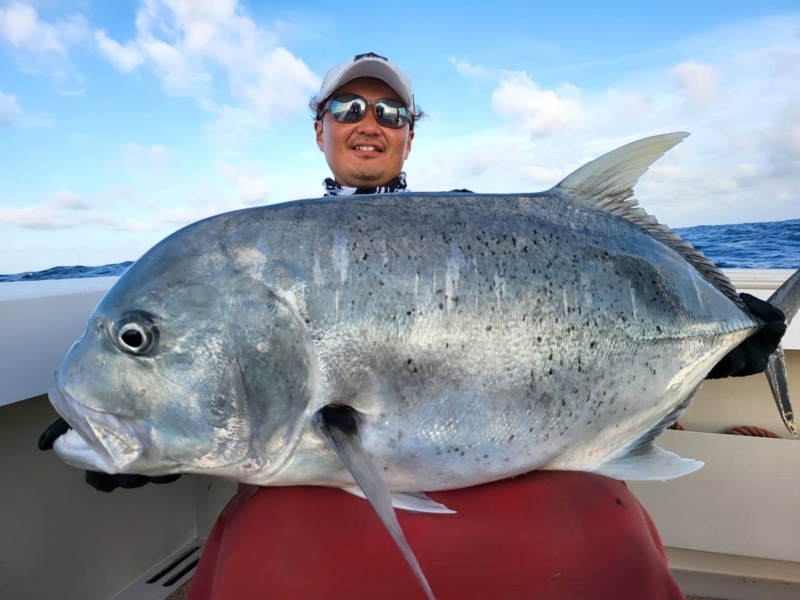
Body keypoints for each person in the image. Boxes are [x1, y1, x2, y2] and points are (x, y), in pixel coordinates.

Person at [39, 52, 787, 599]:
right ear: (320, 130)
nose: (370, 124)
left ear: (408, 137)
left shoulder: (476, 232)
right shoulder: (256, 249)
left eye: (390, 114)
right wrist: (156, 438)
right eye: (348, 110)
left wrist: (719, 338)